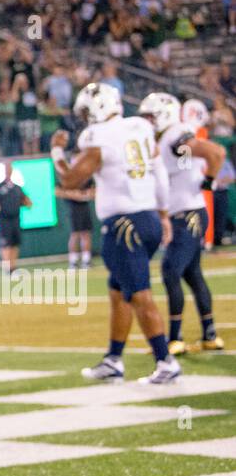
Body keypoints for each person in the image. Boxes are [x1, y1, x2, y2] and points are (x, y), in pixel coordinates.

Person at [54, 82, 181, 384]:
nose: (84, 118)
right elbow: (159, 173)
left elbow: (71, 179)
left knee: (139, 295)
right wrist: (162, 215)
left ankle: (165, 361)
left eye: (86, 112)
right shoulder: (139, 127)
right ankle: (114, 359)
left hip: (124, 227)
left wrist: (56, 149)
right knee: (118, 293)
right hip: (147, 217)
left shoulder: (98, 137)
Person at [139, 92, 226, 353]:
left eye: (150, 116)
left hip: (186, 214)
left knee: (170, 271)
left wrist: (208, 181)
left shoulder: (175, 136)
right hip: (189, 211)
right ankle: (210, 334)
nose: (148, 122)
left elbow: (215, 151)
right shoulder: (172, 138)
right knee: (192, 273)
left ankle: (175, 338)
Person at [0, 160, 31, 270]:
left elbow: (25, 200)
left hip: (16, 219)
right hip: (4, 220)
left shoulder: (16, 188)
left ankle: (13, 267)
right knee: (5, 244)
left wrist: (27, 203)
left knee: (15, 244)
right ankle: (7, 268)